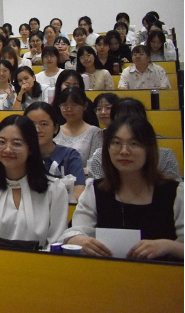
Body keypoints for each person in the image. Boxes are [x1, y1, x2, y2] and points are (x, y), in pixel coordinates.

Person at [60, 114, 184, 260]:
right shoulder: (95, 190)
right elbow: (72, 232)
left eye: (134, 143)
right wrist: (77, 240)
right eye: (116, 143)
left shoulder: (175, 193)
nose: (124, 151)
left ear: (149, 148)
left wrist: (169, 246)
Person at [0, 115, 68, 249]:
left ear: (31, 148)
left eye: (16, 144)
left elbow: (56, 243)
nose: (7, 149)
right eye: (1, 142)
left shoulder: (55, 189)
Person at [25, 102, 85, 201]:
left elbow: (78, 194)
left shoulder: (70, 156)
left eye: (44, 124)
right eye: (31, 124)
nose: (37, 130)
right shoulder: (20, 156)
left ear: (55, 128)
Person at [54, 87, 102, 170]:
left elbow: (95, 166)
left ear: (85, 106)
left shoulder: (95, 132)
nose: (69, 109)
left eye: (74, 105)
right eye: (64, 105)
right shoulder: (55, 131)